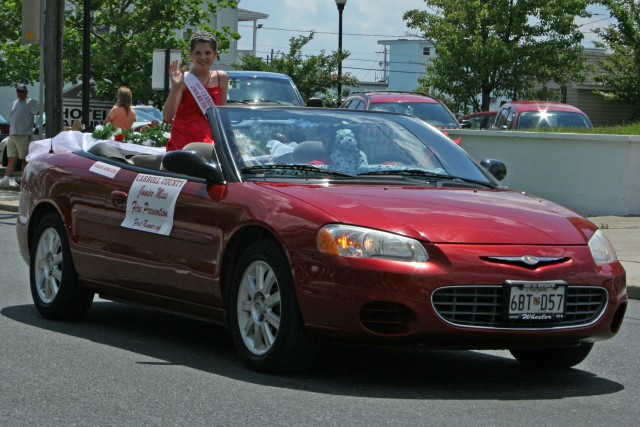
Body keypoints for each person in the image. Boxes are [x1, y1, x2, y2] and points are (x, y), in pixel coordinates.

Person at [163, 30, 228, 152]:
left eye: (207, 53)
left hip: (210, 145)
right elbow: (167, 116)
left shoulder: (221, 78)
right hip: (182, 145)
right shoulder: (183, 79)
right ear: (191, 54)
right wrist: (176, 87)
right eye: (198, 53)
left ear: (215, 54)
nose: (203, 57)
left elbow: (221, 117)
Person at [1, 84, 39, 187]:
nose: (20, 94)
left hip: (24, 135)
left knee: (24, 159)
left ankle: (24, 180)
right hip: (12, 135)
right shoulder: (14, 103)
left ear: (26, 92)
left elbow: (37, 111)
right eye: (19, 92)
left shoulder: (31, 102)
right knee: (11, 158)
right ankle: (6, 180)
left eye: (22, 92)